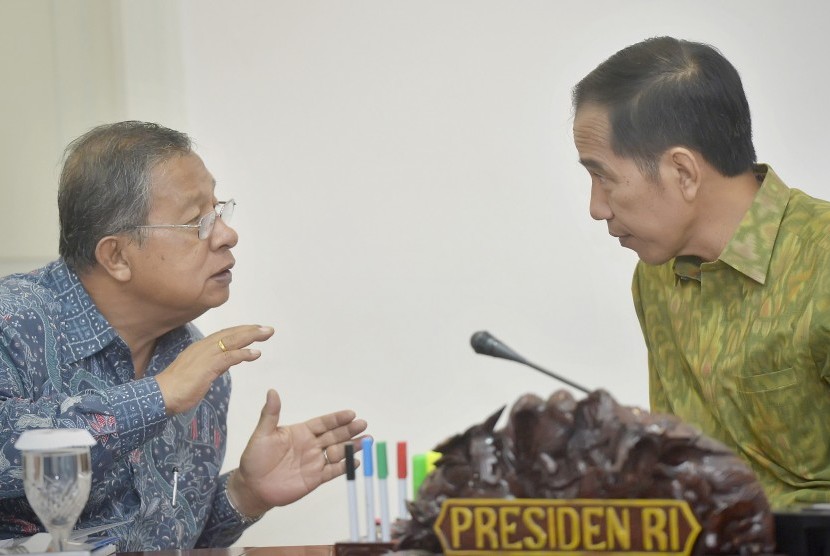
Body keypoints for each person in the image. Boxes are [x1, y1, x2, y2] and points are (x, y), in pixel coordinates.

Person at [0, 121, 368, 549]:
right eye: (198, 221)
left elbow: (165, 536)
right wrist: (157, 397)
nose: (228, 235)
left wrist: (244, 495)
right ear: (116, 255)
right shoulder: (14, 322)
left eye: (220, 212)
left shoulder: (197, 362)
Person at [572, 36, 830, 509]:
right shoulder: (656, 279)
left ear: (683, 173)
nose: (595, 207)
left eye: (603, 176)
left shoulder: (822, 263)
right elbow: (679, 480)